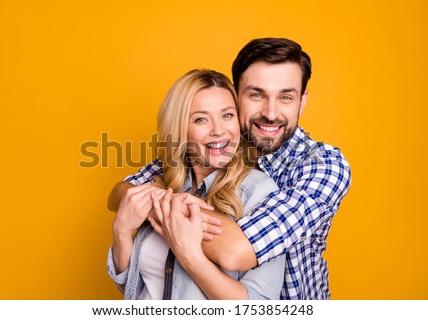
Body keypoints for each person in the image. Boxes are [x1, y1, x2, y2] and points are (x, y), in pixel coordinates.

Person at [108, 38, 352, 299]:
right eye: (257, 95)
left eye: (285, 97)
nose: (271, 113)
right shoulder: (212, 148)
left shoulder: (323, 165)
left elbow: (235, 251)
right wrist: (129, 222)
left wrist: (162, 200)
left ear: (301, 101)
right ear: (237, 96)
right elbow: (122, 192)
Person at [107, 69, 286, 299]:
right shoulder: (165, 175)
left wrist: (189, 255)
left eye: (227, 115)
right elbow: (138, 287)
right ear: (180, 128)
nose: (219, 130)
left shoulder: (259, 191)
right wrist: (121, 232)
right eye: (201, 119)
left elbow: (259, 305)